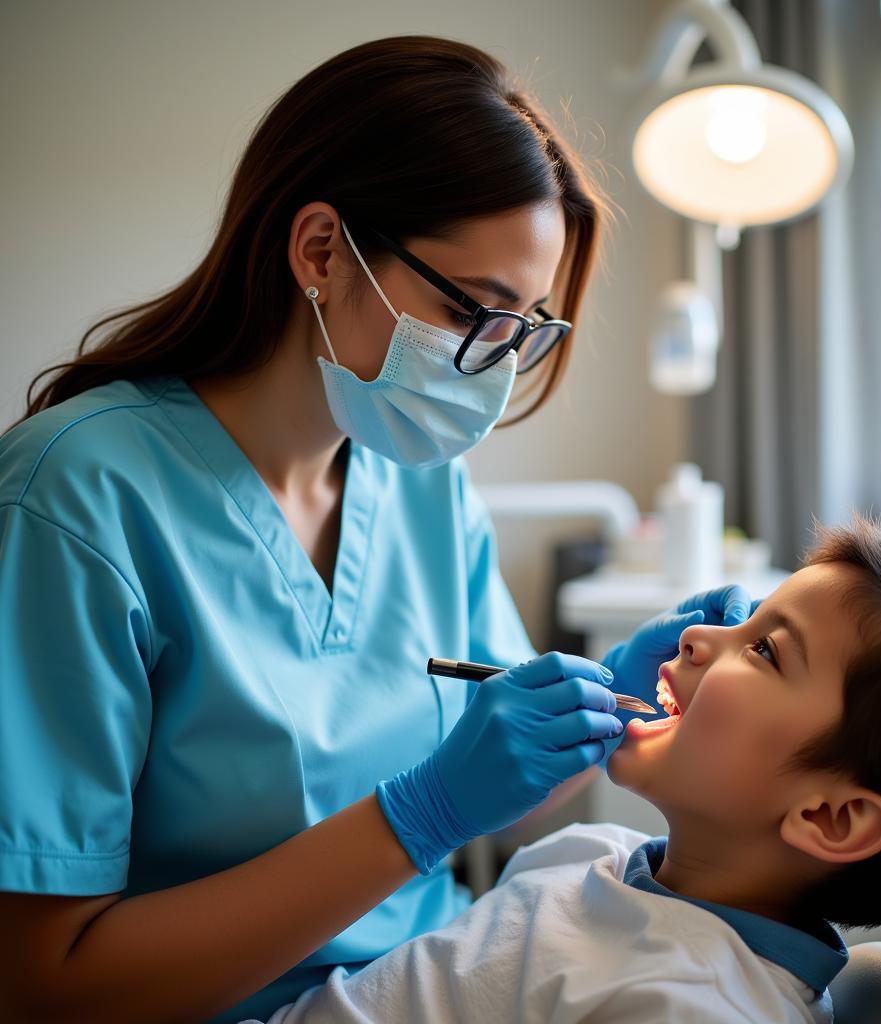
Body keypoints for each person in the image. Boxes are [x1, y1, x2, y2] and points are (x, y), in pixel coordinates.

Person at [0, 35, 752, 1024]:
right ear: (320, 250)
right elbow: (42, 983)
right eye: (475, 312)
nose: (493, 364)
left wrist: (602, 705)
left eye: (526, 327)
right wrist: (417, 816)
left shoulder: (422, 487)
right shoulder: (77, 499)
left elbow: (490, 775)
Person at [236, 520, 881, 1024]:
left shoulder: (688, 1007)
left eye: (763, 650)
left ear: (829, 817)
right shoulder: (601, 853)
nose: (693, 639)